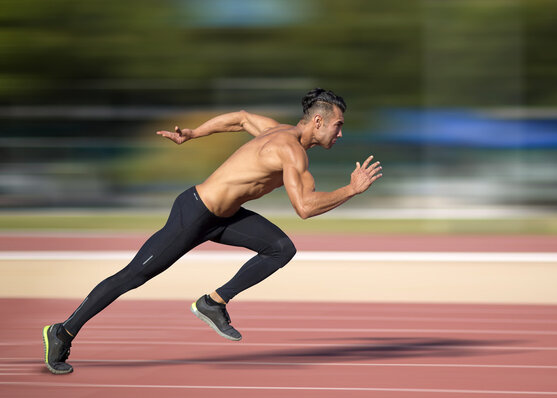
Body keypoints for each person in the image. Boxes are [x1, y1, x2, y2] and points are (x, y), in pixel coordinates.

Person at [42, 88, 382, 374]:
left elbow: (240, 117)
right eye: (337, 126)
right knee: (133, 275)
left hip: (224, 217)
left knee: (281, 248)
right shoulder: (289, 150)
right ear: (318, 121)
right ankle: (63, 331)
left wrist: (193, 133)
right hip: (195, 213)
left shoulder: (276, 131)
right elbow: (305, 207)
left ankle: (213, 302)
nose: (340, 133)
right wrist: (351, 190)